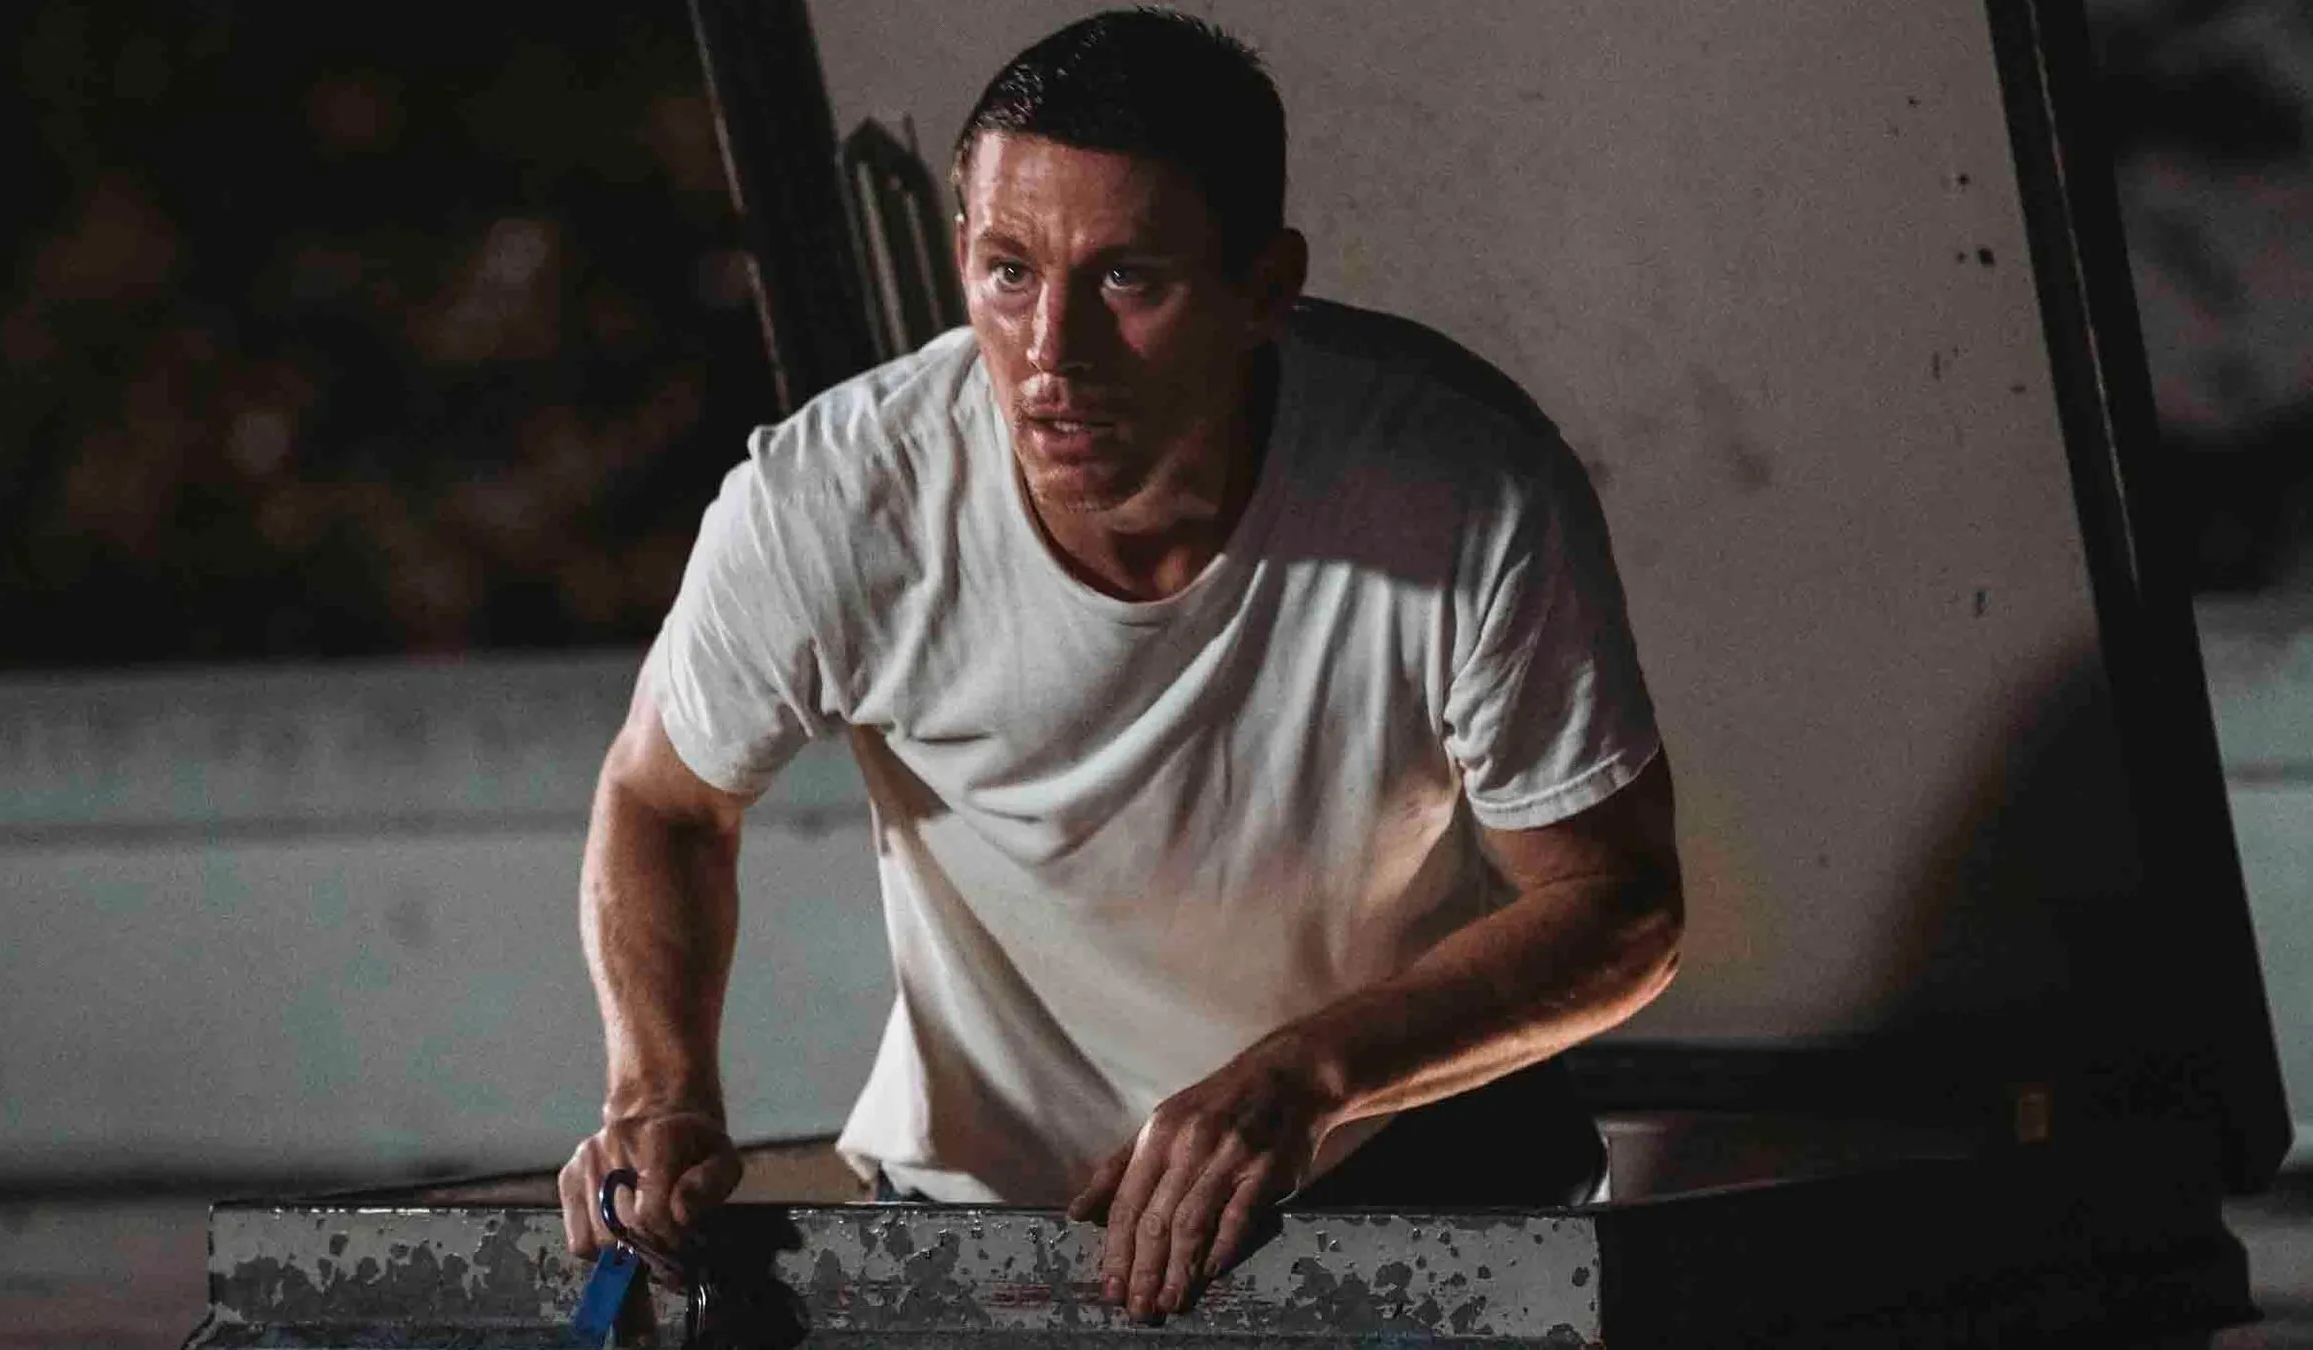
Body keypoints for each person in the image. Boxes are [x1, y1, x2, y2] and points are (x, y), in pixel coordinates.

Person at [559, 6, 1683, 1323]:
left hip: (1402, 1161)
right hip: (992, 1212)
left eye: (1127, 280)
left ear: (1265, 288)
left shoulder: (1465, 487)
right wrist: (658, 1092)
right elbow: (666, 800)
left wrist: (1305, 1077)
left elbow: (1615, 901)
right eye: (1008, 271)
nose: (1052, 354)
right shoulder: (834, 499)